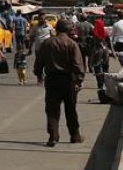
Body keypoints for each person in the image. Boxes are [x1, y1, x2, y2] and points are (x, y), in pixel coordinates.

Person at [33, 19, 85, 147]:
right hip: (69, 80)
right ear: (68, 30)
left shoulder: (47, 43)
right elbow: (78, 64)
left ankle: (53, 136)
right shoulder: (72, 44)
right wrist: (79, 80)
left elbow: (39, 62)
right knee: (71, 109)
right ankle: (75, 135)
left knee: (52, 109)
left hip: (52, 80)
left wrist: (39, 75)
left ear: (56, 29)